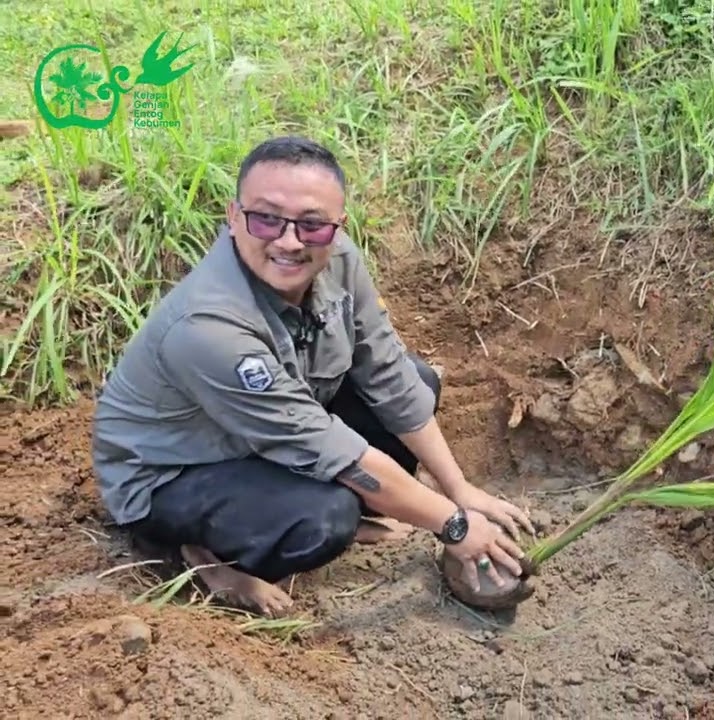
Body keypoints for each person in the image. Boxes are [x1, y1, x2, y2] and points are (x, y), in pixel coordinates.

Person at [91, 135, 535, 617]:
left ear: (338, 226)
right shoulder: (208, 327)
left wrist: (458, 489)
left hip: (267, 429)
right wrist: (454, 526)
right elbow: (325, 446)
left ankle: (347, 502)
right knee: (324, 519)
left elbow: (388, 374)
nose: (288, 241)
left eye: (312, 225)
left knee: (418, 380)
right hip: (176, 468)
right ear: (234, 215)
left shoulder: (339, 258)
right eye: (266, 218)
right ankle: (202, 558)